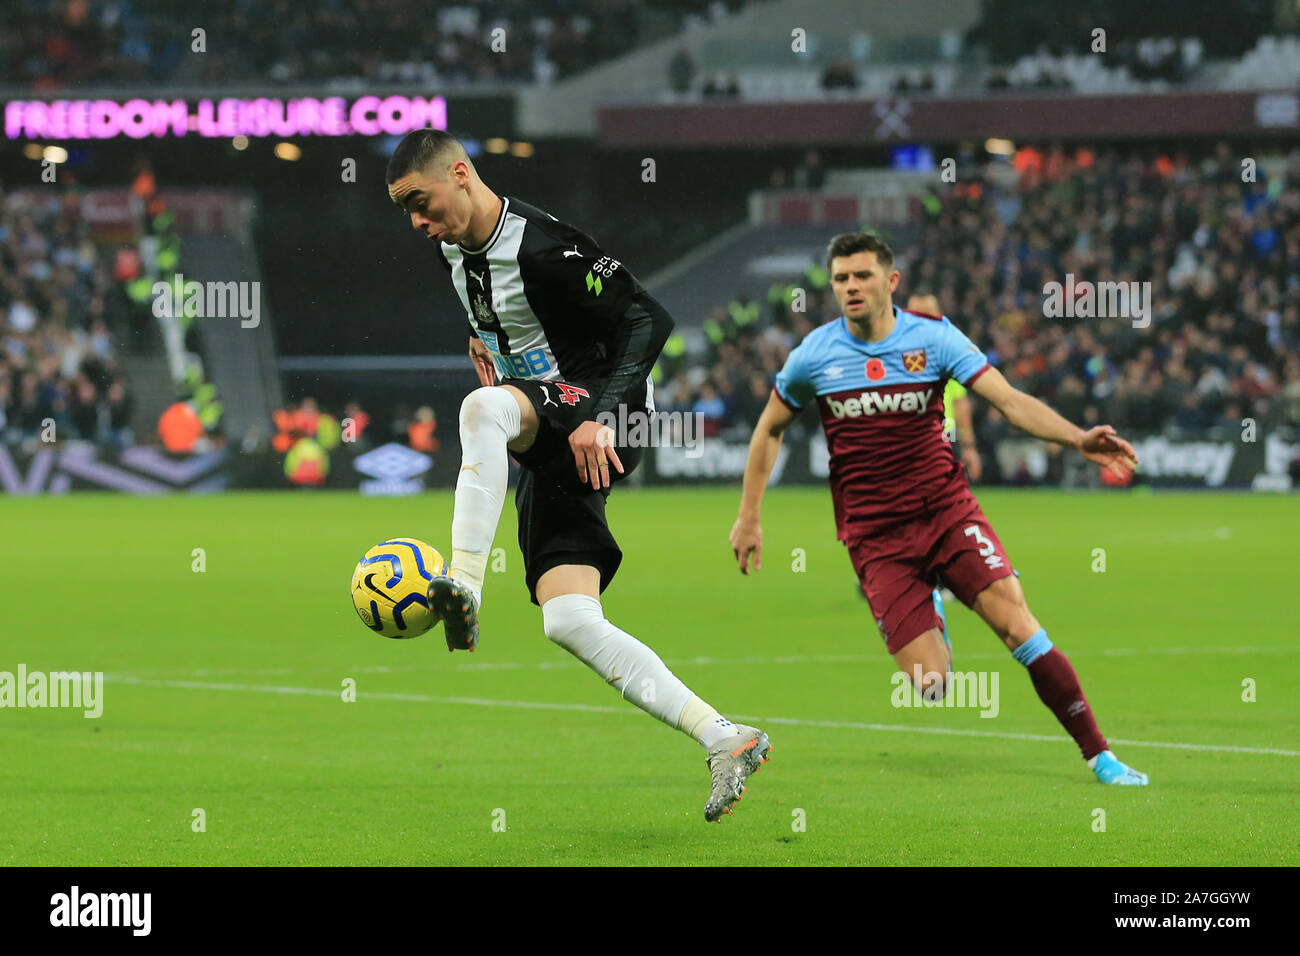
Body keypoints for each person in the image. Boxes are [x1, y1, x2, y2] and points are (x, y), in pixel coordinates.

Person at [385, 129, 771, 821]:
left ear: (461, 174)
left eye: (420, 201)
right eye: (404, 210)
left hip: (602, 415)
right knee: (567, 618)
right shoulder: (454, 250)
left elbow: (648, 319)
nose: (415, 221)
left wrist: (601, 413)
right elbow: (510, 321)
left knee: (480, 412)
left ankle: (461, 583)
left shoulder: (542, 246)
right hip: (553, 426)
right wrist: (489, 343)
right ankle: (727, 738)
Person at [729, 232, 1149, 786]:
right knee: (931, 685)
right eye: (841, 279)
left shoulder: (934, 340)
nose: (851, 287)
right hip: (876, 536)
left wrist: (1078, 439)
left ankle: (1100, 754)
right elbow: (770, 429)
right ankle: (931, 601)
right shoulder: (814, 356)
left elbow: (1009, 401)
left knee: (1018, 628)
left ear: (891, 281)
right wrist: (749, 516)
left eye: (863, 276)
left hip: (947, 513)